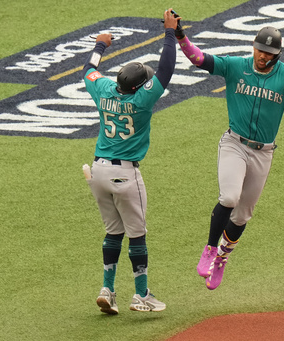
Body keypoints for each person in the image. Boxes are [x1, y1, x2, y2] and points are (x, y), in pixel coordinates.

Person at [175, 25, 284, 290]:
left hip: (263, 152)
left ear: (277, 54)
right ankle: (210, 248)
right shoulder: (236, 66)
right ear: (253, 47)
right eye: (260, 50)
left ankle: (222, 258)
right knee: (230, 198)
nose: (263, 56)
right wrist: (180, 36)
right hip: (234, 143)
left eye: (269, 53)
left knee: (243, 215)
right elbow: (199, 59)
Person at [82, 9, 180, 313]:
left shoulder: (104, 89)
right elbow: (166, 71)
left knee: (114, 232)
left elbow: (88, 70)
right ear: (139, 88)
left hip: (97, 172)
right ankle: (141, 295)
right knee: (137, 235)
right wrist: (169, 33)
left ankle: (107, 289)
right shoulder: (141, 101)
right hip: (126, 175)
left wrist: (100, 45)